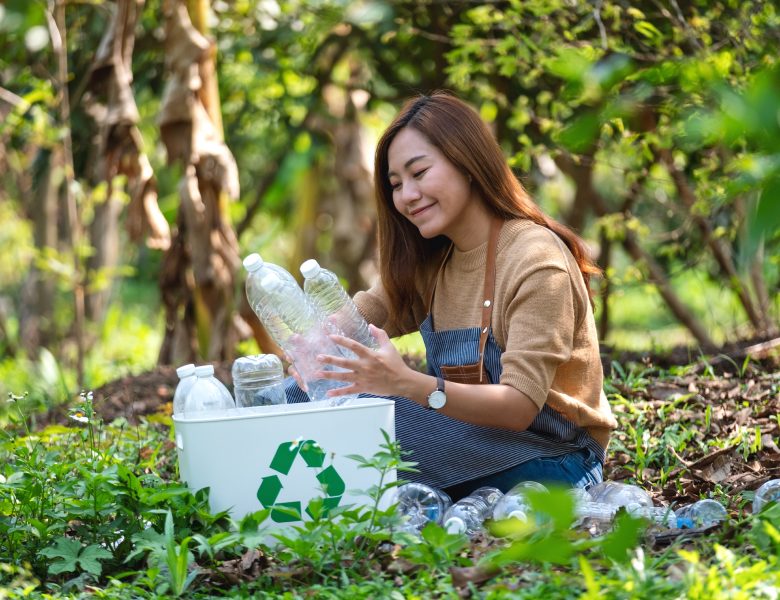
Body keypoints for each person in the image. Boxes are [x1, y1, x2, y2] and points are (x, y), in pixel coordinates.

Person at [286, 91, 616, 500]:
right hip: (473, 443)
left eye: (419, 173)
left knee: (376, 412)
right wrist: (325, 343)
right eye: (395, 184)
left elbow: (518, 407)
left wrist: (405, 383)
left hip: (555, 460)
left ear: (468, 162)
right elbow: (375, 307)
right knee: (304, 390)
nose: (407, 195)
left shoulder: (535, 261)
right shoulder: (436, 261)